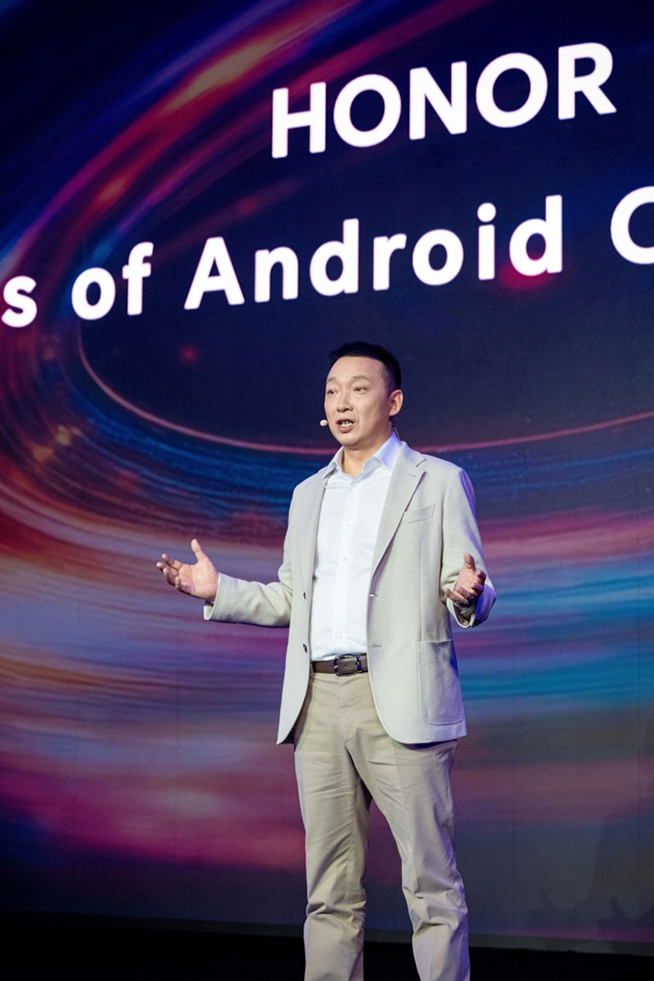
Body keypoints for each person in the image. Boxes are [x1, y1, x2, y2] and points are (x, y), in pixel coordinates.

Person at [156, 340, 495, 981]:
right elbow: (292, 598)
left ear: (393, 401)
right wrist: (218, 590)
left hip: (401, 699)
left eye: (359, 389)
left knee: (431, 887)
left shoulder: (438, 481)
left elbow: (469, 581)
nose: (343, 401)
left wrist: (469, 594)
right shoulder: (309, 493)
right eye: (333, 390)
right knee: (329, 893)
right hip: (318, 702)